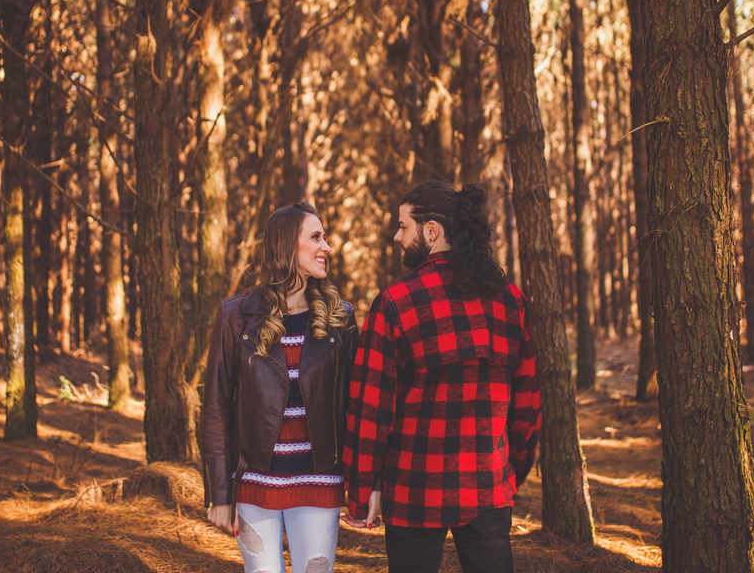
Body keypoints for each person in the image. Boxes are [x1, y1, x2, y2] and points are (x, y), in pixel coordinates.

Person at [341, 181, 541, 573]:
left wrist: (361, 492)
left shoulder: (396, 302)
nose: (396, 236)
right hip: (489, 485)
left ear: (431, 231)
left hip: (414, 488)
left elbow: (371, 410)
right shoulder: (510, 300)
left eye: (403, 226)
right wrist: (511, 470)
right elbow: (528, 402)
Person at [201, 203, 359, 573]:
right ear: (288, 246)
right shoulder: (236, 315)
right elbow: (216, 408)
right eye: (316, 237)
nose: (327, 247)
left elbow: (354, 407)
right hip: (255, 483)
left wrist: (363, 484)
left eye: (325, 237)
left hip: (320, 481)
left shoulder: (341, 319)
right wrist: (220, 494)